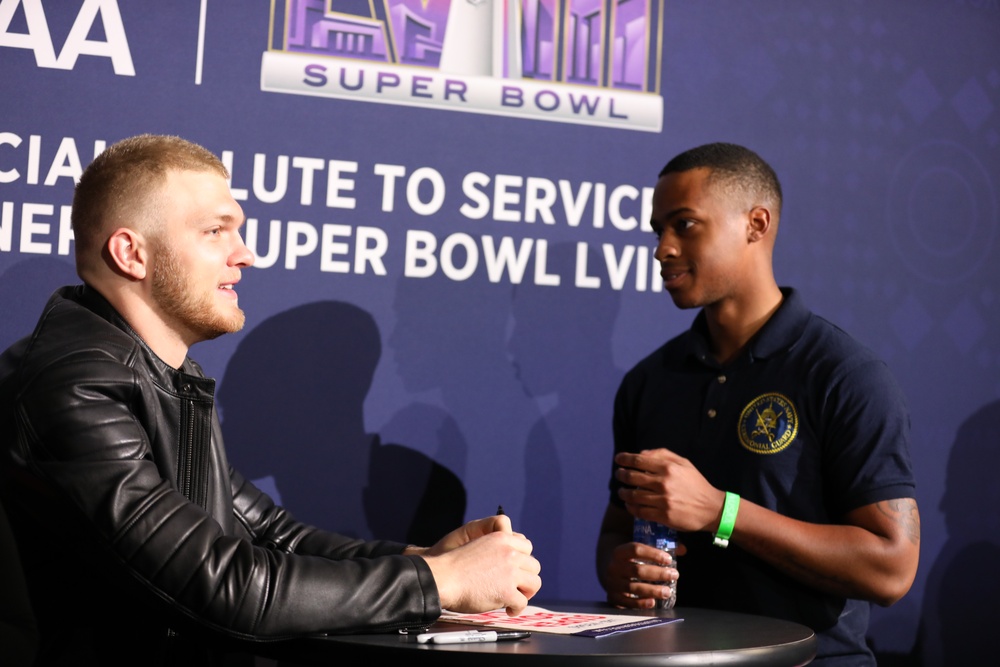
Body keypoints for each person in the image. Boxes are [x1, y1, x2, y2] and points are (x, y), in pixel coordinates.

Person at [0, 134, 541, 666]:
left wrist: (426, 558)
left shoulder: (164, 374)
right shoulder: (73, 385)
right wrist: (443, 582)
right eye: (216, 231)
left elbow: (273, 536)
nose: (246, 255)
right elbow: (221, 585)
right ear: (131, 253)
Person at [596, 143, 920, 665]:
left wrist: (721, 514)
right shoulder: (649, 381)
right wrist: (619, 567)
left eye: (684, 225)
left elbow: (892, 569)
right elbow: (616, 529)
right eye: (658, 231)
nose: (663, 249)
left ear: (756, 223)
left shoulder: (845, 375)